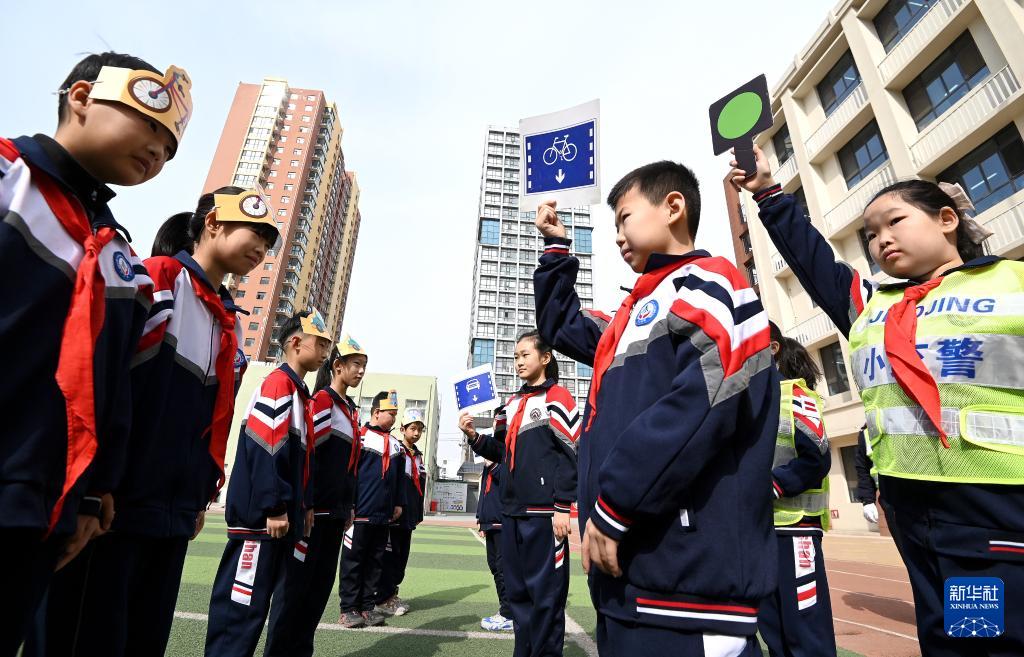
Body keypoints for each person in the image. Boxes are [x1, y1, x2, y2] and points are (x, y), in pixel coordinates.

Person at [735, 145, 1024, 656]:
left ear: (947, 220)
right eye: (870, 234)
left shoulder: (1012, 283)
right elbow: (812, 258)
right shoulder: (871, 306)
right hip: (912, 506)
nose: (880, 239)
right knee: (944, 636)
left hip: (992, 501)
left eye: (894, 222)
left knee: (988, 640)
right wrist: (765, 192)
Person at [533, 161, 778, 657]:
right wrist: (556, 246)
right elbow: (560, 326)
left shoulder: (710, 284)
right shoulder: (632, 311)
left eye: (624, 217)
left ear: (673, 207)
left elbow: (696, 408)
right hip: (634, 573)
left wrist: (614, 505)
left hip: (686, 583)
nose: (618, 235)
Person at [0, 51, 191, 654]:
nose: (159, 151)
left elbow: (112, 392)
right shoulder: (9, 179)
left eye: (170, 146)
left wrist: (94, 491)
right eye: (151, 125)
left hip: (38, 503)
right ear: (81, 96)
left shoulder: (120, 262)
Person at [36, 188, 278, 657]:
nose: (262, 249)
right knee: (86, 636)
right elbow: (104, 381)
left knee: (144, 639)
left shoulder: (224, 317)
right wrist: (93, 485)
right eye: (256, 232)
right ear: (213, 223)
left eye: (270, 242)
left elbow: (210, 420)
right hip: (114, 506)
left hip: (169, 513)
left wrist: (194, 496)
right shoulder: (160, 280)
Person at [204, 310, 332, 657]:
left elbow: (298, 461)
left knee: (258, 613)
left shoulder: (298, 392)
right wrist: (275, 506)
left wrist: (302, 507)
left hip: (278, 524)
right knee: (239, 616)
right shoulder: (278, 384)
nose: (324, 351)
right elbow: (266, 447)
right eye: (319, 342)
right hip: (259, 526)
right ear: (295, 343)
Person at [459, 330, 579, 657]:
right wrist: (473, 436)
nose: (519, 361)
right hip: (509, 513)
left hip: (544, 516)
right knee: (518, 596)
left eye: (525, 354)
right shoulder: (509, 405)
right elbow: (499, 452)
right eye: (515, 356)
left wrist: (562, 507)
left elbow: (571, 453)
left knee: (547, 597)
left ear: (545, 357)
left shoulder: (558, 397)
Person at [264, 334, 366, 657]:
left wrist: (349, 505)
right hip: (313, 517)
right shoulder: (322, 401)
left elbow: (350, 469)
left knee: (319, 592)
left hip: (335, 517)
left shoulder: (350, 410)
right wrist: (306, 501)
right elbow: (309, 455)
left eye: (364, 366)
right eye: (355, 365)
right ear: (337, 366)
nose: (361, 372)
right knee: (295, 593)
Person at [757, 321, 836, 657]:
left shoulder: (794, 395)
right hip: (755, 532)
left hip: (794, 531)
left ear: (773, 349)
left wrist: (773, 486)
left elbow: (816, 458)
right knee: (771, 629)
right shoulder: (744, 398)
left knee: (805, 632)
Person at [338, 390, 405, 628]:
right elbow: (349, 474)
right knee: (353, 562)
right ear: (377, 412)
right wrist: (349, 505)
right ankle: (348, 609)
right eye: (391, 413)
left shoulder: (397, 445)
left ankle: (367, 607)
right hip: (359, 514)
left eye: (396, 414)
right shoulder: (360, 436)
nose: (395, 418)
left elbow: (398, 480)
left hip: (383, 516)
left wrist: (398, 503)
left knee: (375, 563)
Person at [376, 407, 429, 616]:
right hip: (396, 515)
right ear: (403, 428)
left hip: (409, 516)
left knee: (401, 558)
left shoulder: (417, 456)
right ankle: (382, 598)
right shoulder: (397, 450)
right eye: (413, 428)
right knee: (389, 557)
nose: (416, 433)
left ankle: (391, 595)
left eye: (420, 430)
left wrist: (417, 515)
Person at [477, 459, 513, 632]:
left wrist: (493, 465)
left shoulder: (506, 452)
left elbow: (508, 482)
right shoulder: (490, 458)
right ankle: (506, 609)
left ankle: (509, 613)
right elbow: (485, 489)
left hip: (503, 521)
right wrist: (481, 518)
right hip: (491, 521)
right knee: (495, 567)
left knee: (503, 568)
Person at [853, 426, 880, 525]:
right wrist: (867, 500)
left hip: (927, 488)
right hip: (890, 497)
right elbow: (863, 469)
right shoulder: (866, 433)